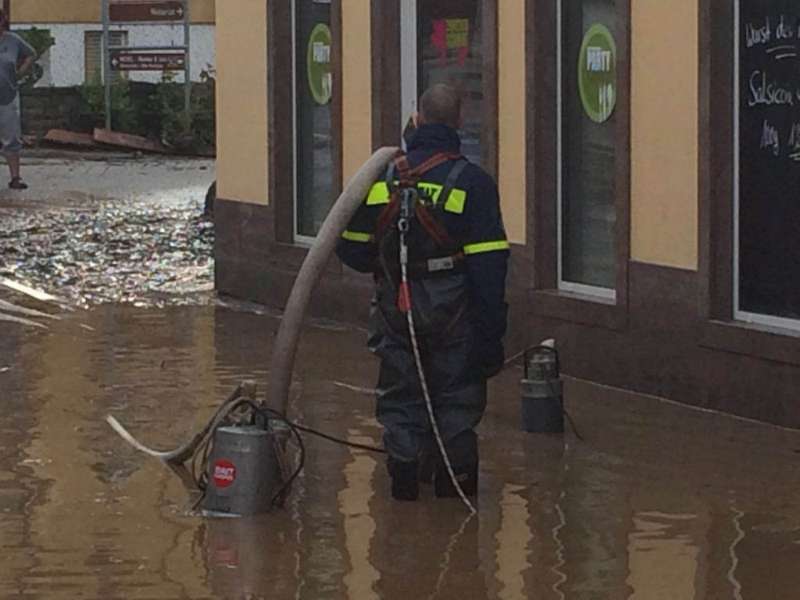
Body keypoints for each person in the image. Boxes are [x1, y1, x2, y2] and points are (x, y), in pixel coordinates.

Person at [336, 84, 509, 501]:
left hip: (399, 309)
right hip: (456, 315)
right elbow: (490, 271)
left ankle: (404, 500)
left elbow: (348, 245)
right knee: (457, 405)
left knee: (400, 402)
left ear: (417, 121)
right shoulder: (474, 184)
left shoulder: (382, 176)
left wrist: (390, 265)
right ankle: (456, 503)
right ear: (459, 123)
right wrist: (490, 339)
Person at [0, 11, 35, 190]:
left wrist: (21, 72)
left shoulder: (13, 40)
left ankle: (15, 178)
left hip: (7, 95)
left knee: (11, 138)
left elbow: (30, 54)